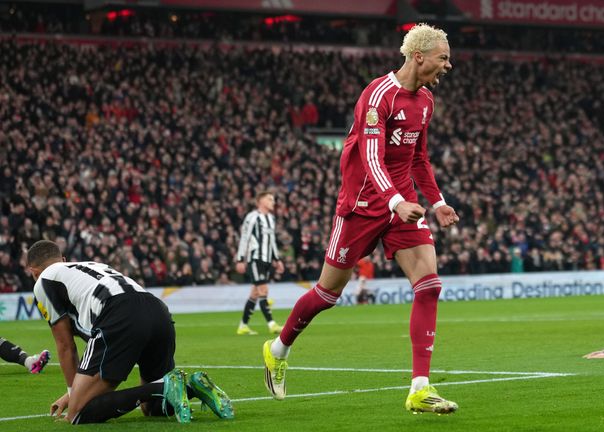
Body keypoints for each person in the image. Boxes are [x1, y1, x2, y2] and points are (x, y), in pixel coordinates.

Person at [262, 23, 459, 414]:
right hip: (361, 206)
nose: (447, 65)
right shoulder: (377, 95)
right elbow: (371, 158)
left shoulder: (426, 102)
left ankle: (420, 388)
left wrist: (436, 202)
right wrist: (394, 202)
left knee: (429, 285)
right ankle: (278, 349)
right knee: (327, 294)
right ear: (419, 56)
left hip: (401, 206)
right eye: (443, 58)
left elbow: (418, 158)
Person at [26, 239, 234, 424]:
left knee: (79, 413)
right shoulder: (88, 265)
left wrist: (73, 396)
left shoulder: (43, 281)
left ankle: (163, 387)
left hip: (119, 312)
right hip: (156, 310)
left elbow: (65, 346)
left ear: (33, 271)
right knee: (152, 409)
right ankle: (192, 387)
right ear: (62, 258)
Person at [235, 191, 284, 335]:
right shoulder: (252, 217)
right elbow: (245, 237)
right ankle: (272, 324)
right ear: (260, 201)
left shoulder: (271, 218)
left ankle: (243, 326)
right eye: (270, 199)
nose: (273, 202)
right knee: (264, 290)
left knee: (255, 294)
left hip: (267, 260)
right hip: (255, 259)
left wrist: (277, 259)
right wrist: (240, 259)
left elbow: (272, 241)